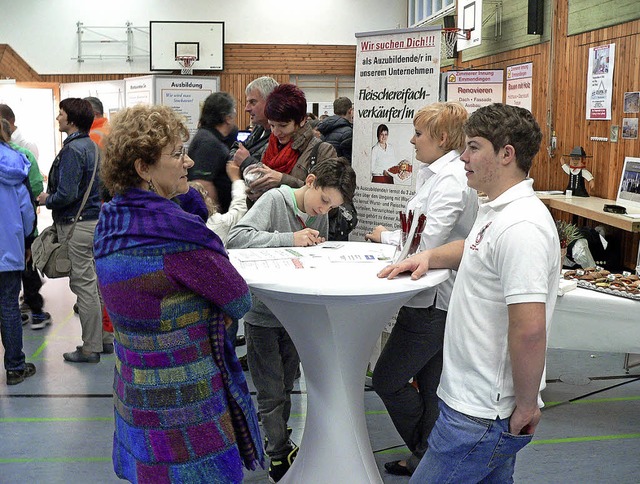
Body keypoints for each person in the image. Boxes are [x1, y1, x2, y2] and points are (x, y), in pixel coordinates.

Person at [379, 103, 561, 483]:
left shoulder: (521, 227)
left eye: (474, 147)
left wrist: (526, 405)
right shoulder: (494, 209)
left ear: (506, 154)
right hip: (473, 405)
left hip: (481, 413)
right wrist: (429, 256)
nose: (463, 156)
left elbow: (529, 329)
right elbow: (475, 248)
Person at [93, 104, 263, 483]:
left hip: (136, 390)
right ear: (143, 168)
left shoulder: (111, 222)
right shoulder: (177, 237)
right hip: (186, 403)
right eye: (176, 154)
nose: (188, 162)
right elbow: (239, 298)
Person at [365, 102, 478, 477]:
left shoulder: (450, 180)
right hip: (434, 298)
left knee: (387, 378)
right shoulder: (439, 174)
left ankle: (431, 456)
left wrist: (388, 240)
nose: (412, 141)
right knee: (431, 387)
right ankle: (428, 458)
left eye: (418, 134)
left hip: (433, 300)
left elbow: (427, 242)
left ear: (442, 138)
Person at [226, 158, 356, 482]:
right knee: (271, 392)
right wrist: (289, 239)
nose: (324, 212)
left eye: (332, 208)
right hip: (264, 316)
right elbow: (237, 238)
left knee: (286, 386)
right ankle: (279, 454)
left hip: (296, 318)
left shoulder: (319, 216)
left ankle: (278, 444)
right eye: (324, 201)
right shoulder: (274, 200)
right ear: (310, 181)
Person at [35, 98, 106, 363]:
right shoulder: (93, 147)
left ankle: (90, 348)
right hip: (93, 223)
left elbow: (66, 194)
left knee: (84, 286)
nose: (58, 118)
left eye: (61, 113)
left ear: (72, 119)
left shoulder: (73, 151)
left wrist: (45, 199)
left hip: (76, 227)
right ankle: (104, 339)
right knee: (94, 284)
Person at [241, 83, 336, 202]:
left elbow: (328, 200)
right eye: (272, 125)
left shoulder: (322, 150)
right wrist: (254, 196)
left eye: (283, 125)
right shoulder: (270, 148)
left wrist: (282, 180)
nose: (276, 132)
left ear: (302, 120)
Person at [1, 118, 51, 330]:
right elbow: (30, 198)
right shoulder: (21, 159)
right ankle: (15, 362)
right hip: (15, 237)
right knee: (13, 297)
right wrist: (29, 238)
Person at [0, 121, 37, 385]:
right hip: (8, 248)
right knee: (9, 307)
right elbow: (26, 210)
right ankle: (15, 367)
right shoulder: (16, 162)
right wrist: (27, 243)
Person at [187, 91, 237, 213]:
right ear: (228, 117)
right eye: (234, 111)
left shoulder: (210, 138)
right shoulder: (208, 143)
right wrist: (216, 219)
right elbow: (202, 185)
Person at [231, 76, 279, 176]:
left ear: (270, 102)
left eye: (253, 102)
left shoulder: (281, 137)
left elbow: (269, 177)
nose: (246, 108)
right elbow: (237, 149)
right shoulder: (259, 128)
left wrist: (246, 161)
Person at [317, 96, 353, 161]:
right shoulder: (348, 132)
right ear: (350, 111)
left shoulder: (323, 127)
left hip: (323, 168)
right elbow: (348, 160)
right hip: (339, 169)